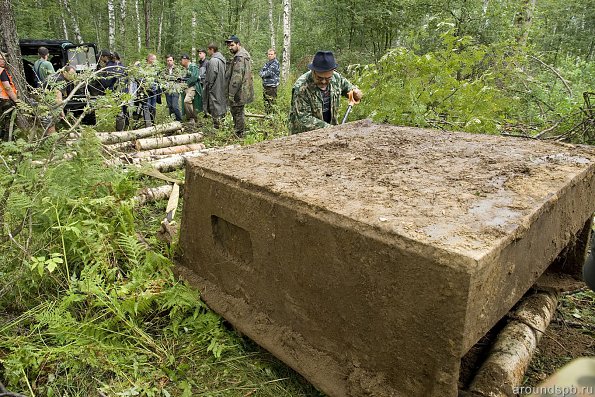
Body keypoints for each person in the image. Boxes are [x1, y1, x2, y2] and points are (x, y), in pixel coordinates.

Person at [289, 50, 363, 134]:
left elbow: (350, 90)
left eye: (328, 78)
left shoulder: (336, 78)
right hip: (305, 137)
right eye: (320, 78)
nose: (324, 81)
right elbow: (304, 119)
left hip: (331, 133)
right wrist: (332, 129)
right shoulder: (301, 87)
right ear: (313, 71)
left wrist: (356, 93)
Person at [225, 35, 254, 137]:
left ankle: (239, 134)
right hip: (243, 89)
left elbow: (237, 77)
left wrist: (231, 93)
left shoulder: (239, 57)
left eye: (232, 45)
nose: (230, 47)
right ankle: (239, 132)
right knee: (239, 112)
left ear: (238, 44)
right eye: (229, 46)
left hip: (239, 91)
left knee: (237, 112)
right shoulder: (244, 54)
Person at [203, 43, 227, 128]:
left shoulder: (213, 60)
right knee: (221, 104)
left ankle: (217, 126)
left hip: (214, 87)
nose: (208, 52)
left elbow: (211, 76)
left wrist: (209, 86)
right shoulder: (222, 59)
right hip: (221, 85)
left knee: (215, 106)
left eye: (208, 50)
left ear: (212, 49)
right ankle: (223, 124)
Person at [0, 53, 18, 141]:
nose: (2, 60)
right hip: (4, 100)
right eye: (0, 59)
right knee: (7, 123)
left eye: (3, 58)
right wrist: (16, 100)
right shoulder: (2, 71)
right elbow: (7, 88)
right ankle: (7, 142)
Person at [180, 54, 201, 123]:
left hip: (193, 87)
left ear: (186, 60)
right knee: (189, 102)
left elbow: (194, 77)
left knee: (187, 101)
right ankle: (191, 118)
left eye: (182, 60)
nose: (181, 61)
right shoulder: (185, 68)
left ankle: (192, 118)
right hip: (187, 87)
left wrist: (185, 84)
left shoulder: (193, 66)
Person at [259, 48, 280, 114]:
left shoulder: (275, 63)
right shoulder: (268, 63)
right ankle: (267, 116)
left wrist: (263, 74)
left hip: (272, 87)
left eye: (271, 54)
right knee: (266, 102)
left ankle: (273, 118)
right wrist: (262, 73)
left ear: (275, 55)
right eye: (269, 54)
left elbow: (268, 73)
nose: (270, 55)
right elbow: (261, 71)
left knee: (272, 103)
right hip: (266, 86)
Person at [163, 55, 183, 122]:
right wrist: (171, 78)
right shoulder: (164, 70)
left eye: (170, 60)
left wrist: (168, 77)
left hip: (175, 89)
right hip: (167, 89)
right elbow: (162, 78)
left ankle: (179, 120)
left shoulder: (177, 69)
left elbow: (179, 78)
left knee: (175, 106)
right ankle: (172, 121)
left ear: (173, 61)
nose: (169, 62)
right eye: (168, 60)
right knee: (170, 106)